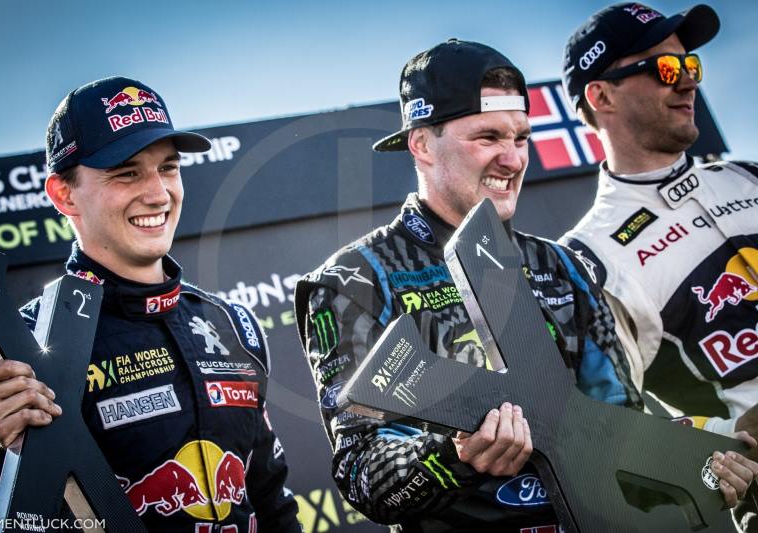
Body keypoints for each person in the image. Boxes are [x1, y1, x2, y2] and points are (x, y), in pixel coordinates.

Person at [294, 38, 757, 532]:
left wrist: (701, 460)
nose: (512, 161)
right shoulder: (356, 278)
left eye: (521, 138)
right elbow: (363, 475)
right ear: (422, 144)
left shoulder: (561, 266)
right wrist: (456, 457)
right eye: (488, 137)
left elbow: (619, 434)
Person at [0, 77, 301, 532]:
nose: (158, 193)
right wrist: (1, 451)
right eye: (127, 172)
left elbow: (271, 500)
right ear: (64, 194)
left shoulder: (231, 323)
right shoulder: (14, 348)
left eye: (169, 168)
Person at [560, 4, 758, 442]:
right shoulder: (591, 258)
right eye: (666, 68)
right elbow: (612, 428)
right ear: (601, 97)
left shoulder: (747, 176)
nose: (688, 80)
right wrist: (733, 434)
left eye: (690, 64)